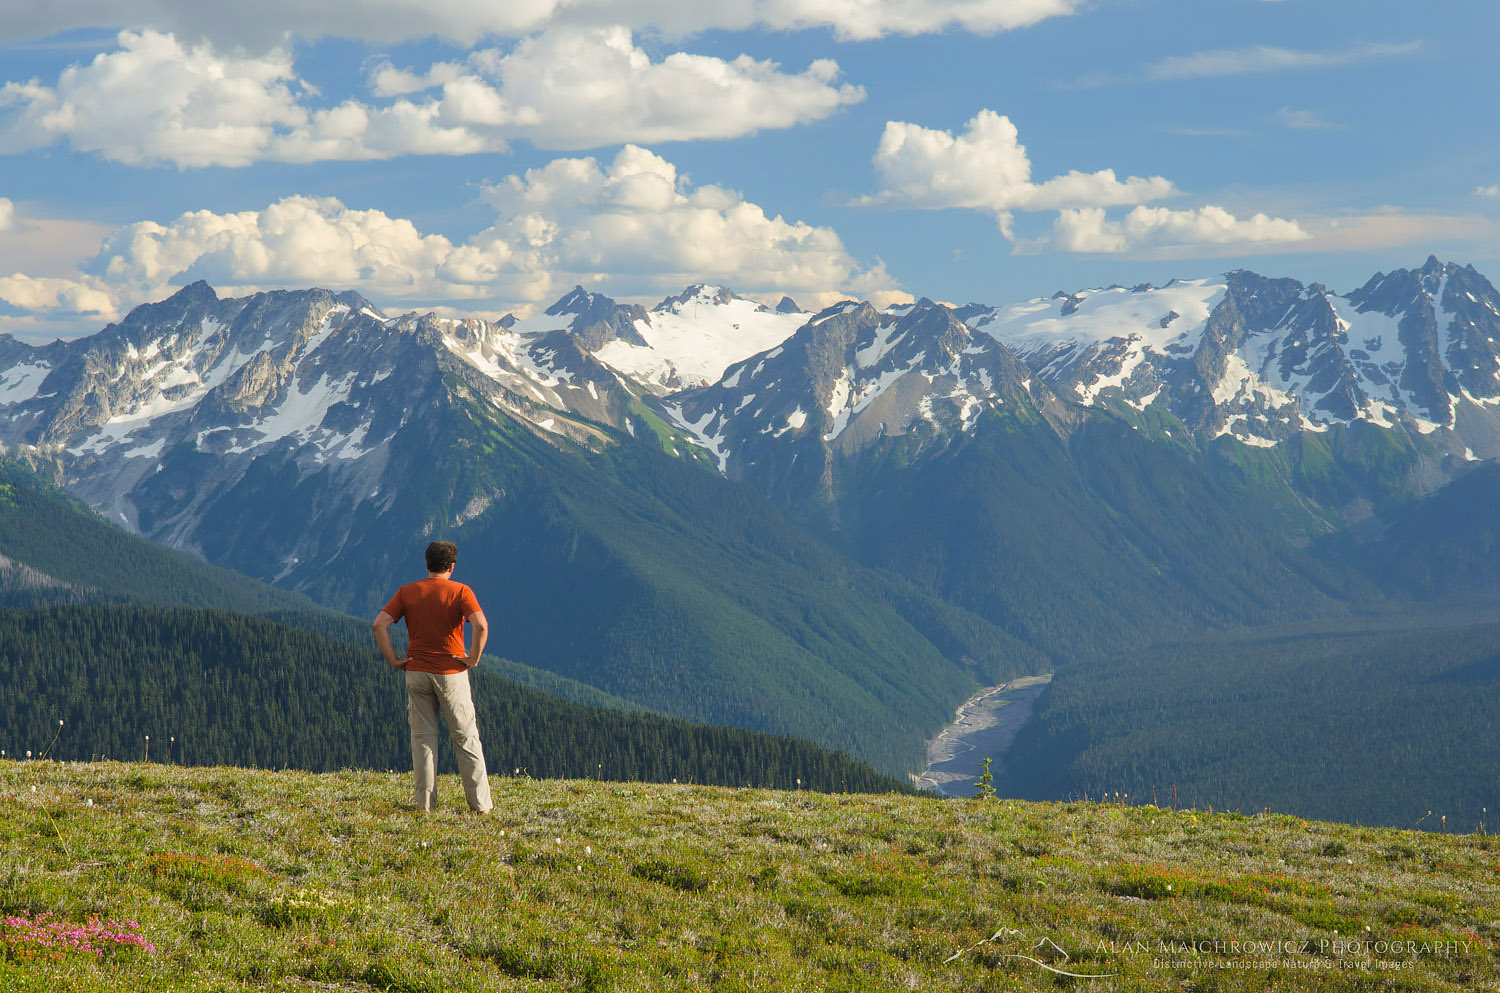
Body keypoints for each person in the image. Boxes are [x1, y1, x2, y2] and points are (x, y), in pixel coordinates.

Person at [372, 540, 492, 814]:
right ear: (452, 566)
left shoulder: (407, 592)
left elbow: (379, 624)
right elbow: (481, 625)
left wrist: (393, 660)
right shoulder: (461, 591)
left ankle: (425, 806)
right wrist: (472, 658)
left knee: (423, 738)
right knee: (465, 737)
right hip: (451, 673)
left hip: (416, 670)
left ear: (426, 564)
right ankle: (481, 805)